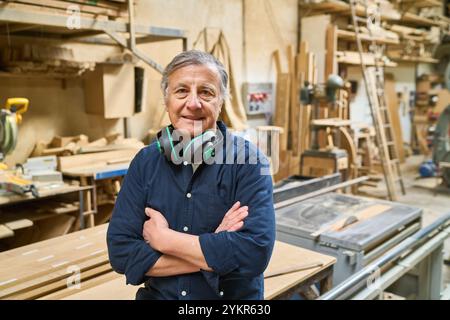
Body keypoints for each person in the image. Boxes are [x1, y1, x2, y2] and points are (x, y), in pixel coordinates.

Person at [106, 50, 275, 300]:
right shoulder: (145, 163)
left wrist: (165, 240)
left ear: (221, 102)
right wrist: (215, 246)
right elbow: (122, 253)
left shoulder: (249, 162)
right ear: (166, 100)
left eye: (206, 92)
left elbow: (253, 253)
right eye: (181, 91)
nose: (193, 103)